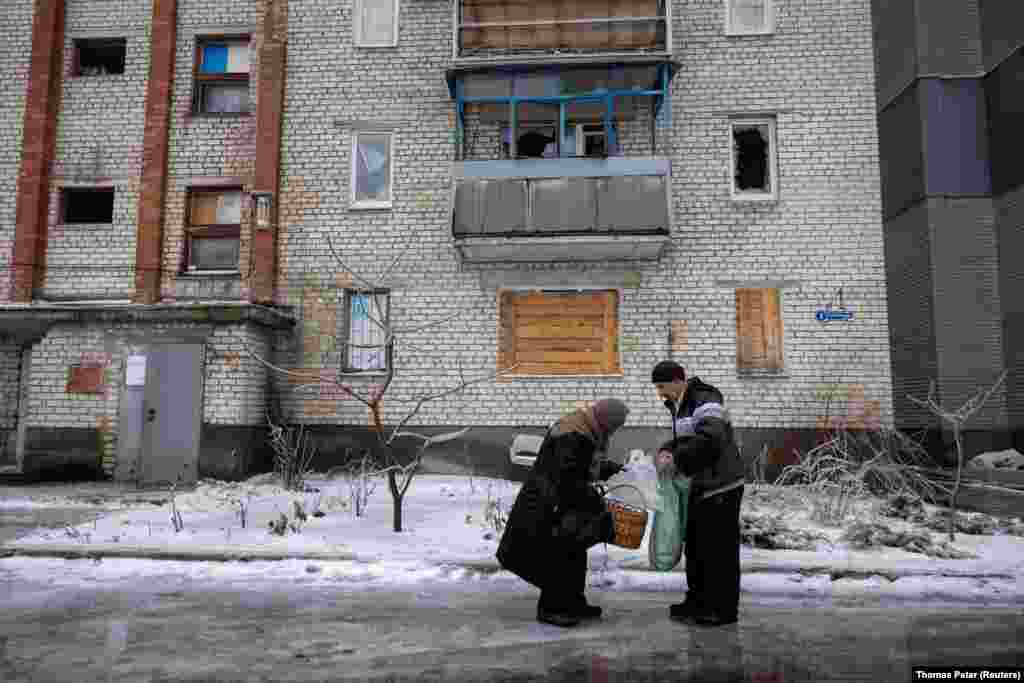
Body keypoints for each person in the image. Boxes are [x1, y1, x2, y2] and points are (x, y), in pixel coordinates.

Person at [496, 399, 630, 627]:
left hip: (558, 501)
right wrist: (594, 499)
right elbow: (568, 477)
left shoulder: (583, 429)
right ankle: (552, 608)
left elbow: (581, 465)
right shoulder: (573, 435)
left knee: (575, 551)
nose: (613, 432)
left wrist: (607, 469)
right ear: (605, 421)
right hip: (549, 504)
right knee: (558, 554)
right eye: (614, 427)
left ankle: (573, 602)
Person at [651, 360, 745, 626]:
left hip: (721, 485)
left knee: (719, 551)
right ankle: (698, 602)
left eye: (662, 386)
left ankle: (722, 609)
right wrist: (667, 449)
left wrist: (677, 459)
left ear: (677, 380)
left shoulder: (705, 399)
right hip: (701, 486)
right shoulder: (680, 404)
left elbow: (712, 439)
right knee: (696, 546)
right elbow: (688, 440)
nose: (660, 393)